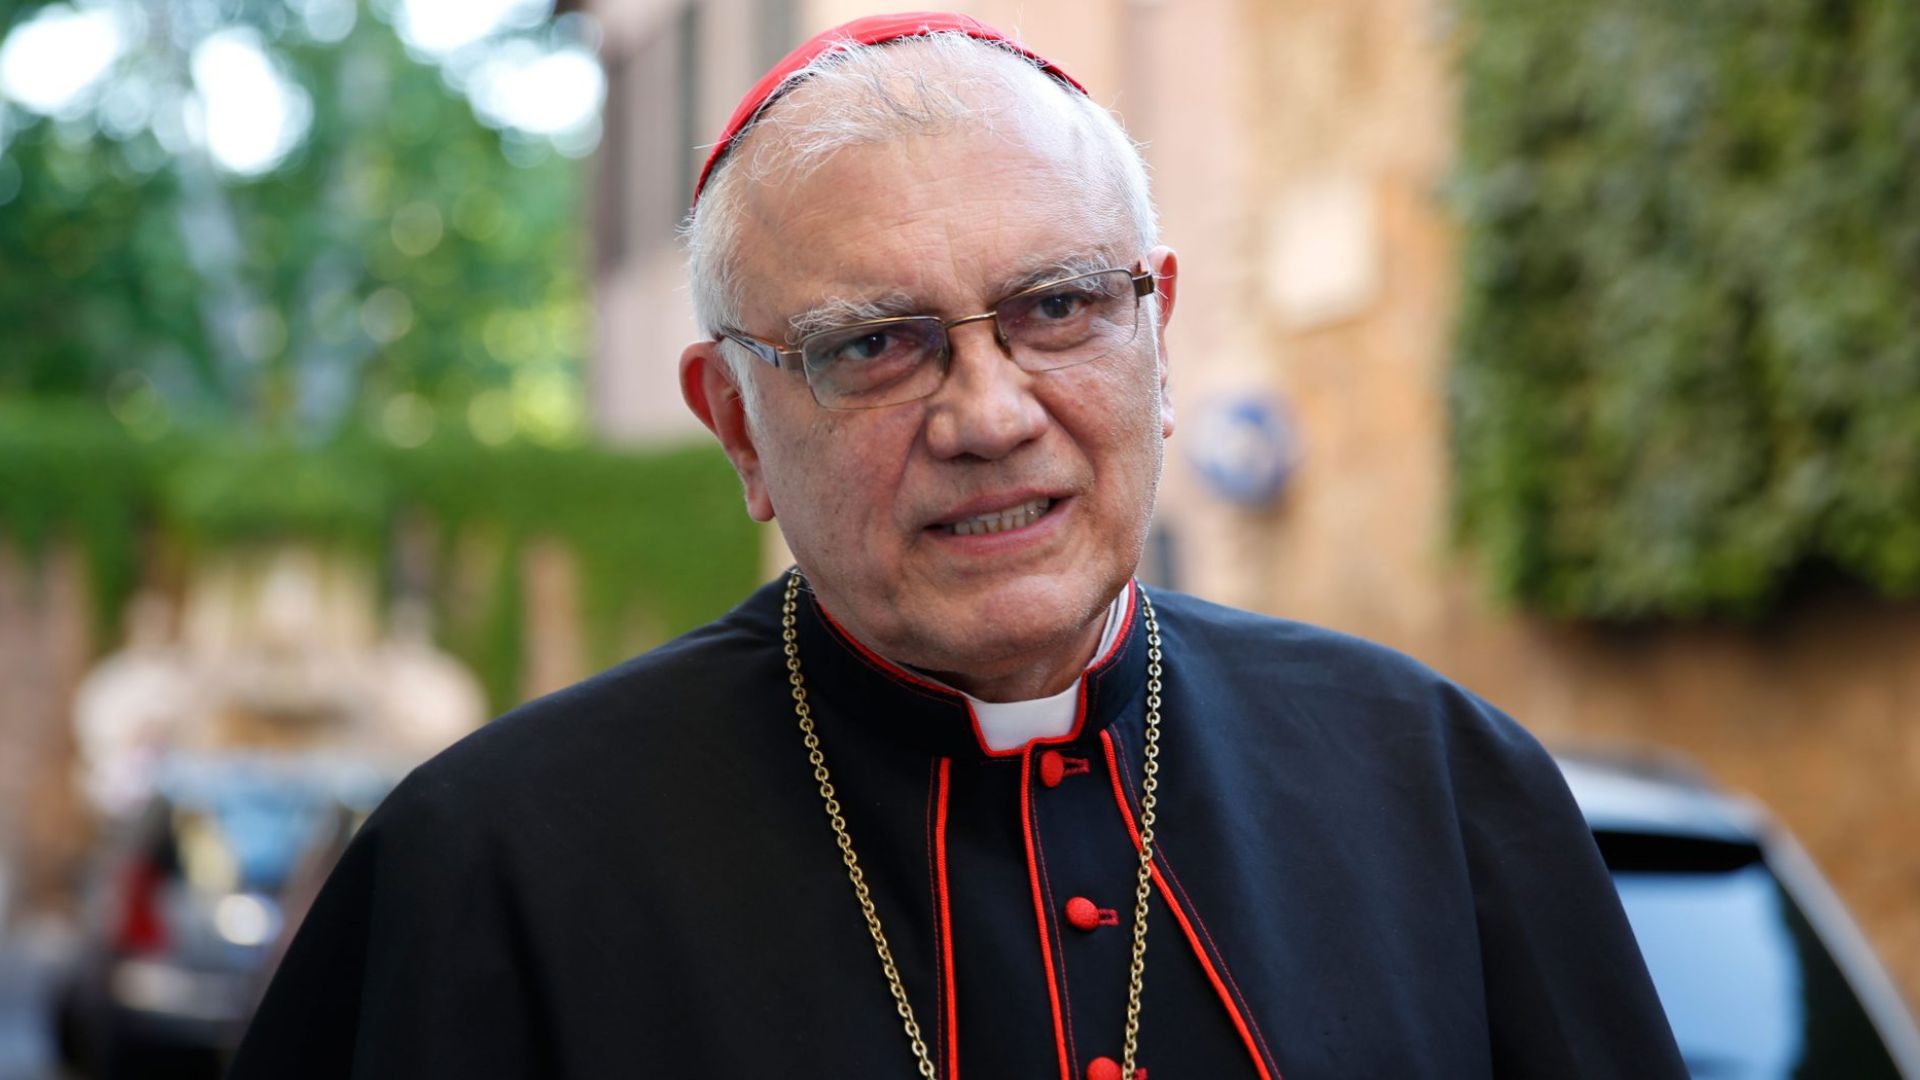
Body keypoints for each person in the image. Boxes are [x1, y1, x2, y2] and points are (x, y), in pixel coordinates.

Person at [231, 13, 1686, 1079]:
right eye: (876, 344)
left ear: (1159, 338)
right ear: (735, 422)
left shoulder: (1437, 778)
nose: (989, 415)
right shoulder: (496, 863)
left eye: (1057, 307)